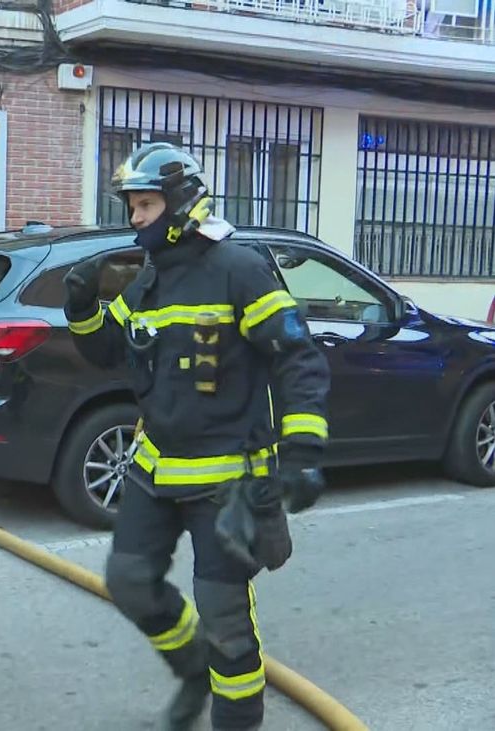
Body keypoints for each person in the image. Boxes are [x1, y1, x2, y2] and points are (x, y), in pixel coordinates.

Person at [63, 143, 330, 731]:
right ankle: (191, 671)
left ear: (181, 204)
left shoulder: (239, 269)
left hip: (229, 480)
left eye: (146, 205)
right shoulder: (151, 278)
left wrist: (304, 451)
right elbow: (107, 349)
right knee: (129, 581)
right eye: (132, 207)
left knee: (224, 616)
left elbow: (298, 358)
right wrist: (81, 306)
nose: (135, 219)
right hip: (155, 469)